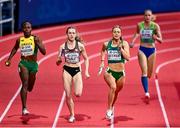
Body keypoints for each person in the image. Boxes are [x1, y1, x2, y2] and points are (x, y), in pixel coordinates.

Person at [5, 21, 46, 115]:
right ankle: (24, 108)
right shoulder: (19, 40)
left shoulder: (36, 38)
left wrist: (38, 44)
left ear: (31, 29)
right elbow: (15, 48)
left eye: (29, 27)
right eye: (25, 27)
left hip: (34, 65)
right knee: (25, 84)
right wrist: (9, 59)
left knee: (30, 87)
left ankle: (28, 88)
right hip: (23, 64)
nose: (27, 29)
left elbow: (44, 52)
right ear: (22, 29)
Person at [56, 26, 90, 123]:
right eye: (69, 33)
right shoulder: (62, 46)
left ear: (76, 34)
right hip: (66, 70)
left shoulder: (80, 46)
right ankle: (72, 115)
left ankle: (72, 113)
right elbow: (58, 61)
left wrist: (86, 71)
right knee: (68, 95)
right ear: (67, 34)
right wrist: (58, 60)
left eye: (73, 33)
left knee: (78, 94)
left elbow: (86, 58)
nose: (71, 35)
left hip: (76, 70)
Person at [129, 9, 163, 103]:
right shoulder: (140, 25)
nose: (147, 17)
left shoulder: (155, 26)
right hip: (142, 50)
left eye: (149, 15)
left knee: (149, 74)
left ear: (151, 16)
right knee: (144, 72)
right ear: (143, 16)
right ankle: (147, 93)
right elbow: (137, 33)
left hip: (152, 51)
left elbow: (161, 40)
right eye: (145, 15)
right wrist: (132, 42)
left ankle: (146, 83)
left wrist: (155, 38)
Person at [98, 25, 130, 120]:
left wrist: (121, 49)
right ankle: (108, 109)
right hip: (110, 72)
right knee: (113, 87)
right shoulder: (106, 44)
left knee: (116, 92)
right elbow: (103, 51)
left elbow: (128, 57)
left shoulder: (124, 43)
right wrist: (102, 61)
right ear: (112, 33)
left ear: (121, 34)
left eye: (118, 32)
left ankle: (111, 107)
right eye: (114, 32)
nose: (116, 33)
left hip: (121, 73)